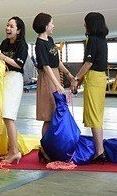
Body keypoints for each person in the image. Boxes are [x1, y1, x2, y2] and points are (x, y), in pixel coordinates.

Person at [33, 12, 75, 159]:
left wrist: (68, 74)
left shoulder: (50, 40)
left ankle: (53, 147)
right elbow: (46, 66)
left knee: (56, 114)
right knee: (48, 116)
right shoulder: (39, 44)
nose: (53, 26)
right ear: (45, 26)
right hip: (47, 79)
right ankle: (45, 150)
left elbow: (56, 61)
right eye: (51, 23)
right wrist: (57, 84)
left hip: (55, 75)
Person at [71, 12, 109, 163]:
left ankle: (99, 152)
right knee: (97, 113)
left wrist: (76, 79)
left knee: (93, 114)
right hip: (101, 77)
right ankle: (100, 150)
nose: (84, 25)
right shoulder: (103, 39)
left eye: (85, 22)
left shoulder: (92, 39)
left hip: (93, 78)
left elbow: (88, 63)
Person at [0, 16, 28, 164]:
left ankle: (14, 151)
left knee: (9, 116)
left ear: (18, 30)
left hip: (14, 79)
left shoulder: (22, 45)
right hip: (4, 78)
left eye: (11, 26)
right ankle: (11, 149)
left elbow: (19, 64)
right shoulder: (4, 43)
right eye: (7, 25)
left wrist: (3, 57)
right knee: (5, 115)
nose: (8, 28)